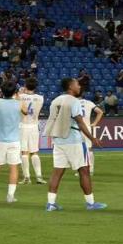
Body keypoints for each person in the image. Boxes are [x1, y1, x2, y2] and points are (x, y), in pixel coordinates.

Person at [44, 78, 106, 212]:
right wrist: (92, 138)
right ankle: (90, 203)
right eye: (77, 84)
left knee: (57, 172)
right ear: (70, 86)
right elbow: (80, 122)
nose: (79, 86)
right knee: (84, 171)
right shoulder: (74, 101)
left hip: (58, 140)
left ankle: (50, 203)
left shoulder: (55, 101)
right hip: (74, 140)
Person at [0, 81, 26, 204]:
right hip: (14, 141)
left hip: (0, 141)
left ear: (1, 91)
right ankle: (10, 196)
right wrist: (18, 98)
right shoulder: (19, 103)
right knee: (14, 167)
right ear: (14, 92)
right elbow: (26, 112)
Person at [18, 78, 46, 185]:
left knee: (24, 152)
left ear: (25, 85)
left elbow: (18, 104)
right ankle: (39, 177)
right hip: (34, 126)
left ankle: (27, 177)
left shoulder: (20, 97)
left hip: (23, 125)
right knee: (34, 152)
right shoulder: (40, 98)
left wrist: (21, 93)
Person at [78, 93, 104, 176]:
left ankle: (83, 170)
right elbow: (100, 112)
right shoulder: (89, 103)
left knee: (79, 149)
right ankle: (90, 170)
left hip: (76, 128)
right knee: (89, 149)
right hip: (87, 127)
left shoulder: (73, 103)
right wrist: (95, 123)